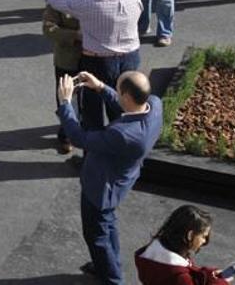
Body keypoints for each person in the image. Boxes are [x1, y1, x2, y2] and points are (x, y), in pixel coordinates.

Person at [57, 70, 163, 285]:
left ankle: (112, 278)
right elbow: (128, 107)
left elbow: (79, 137)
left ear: (126, 96)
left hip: (101, 189)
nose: (115, 90)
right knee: (108, 225)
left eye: (118, 88)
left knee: (97, 236)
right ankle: (108, 264)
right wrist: (101, 88)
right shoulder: (154, 104)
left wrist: (66, 102)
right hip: (118, 183)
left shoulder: (123, 135)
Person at [45, 0, 142, 130]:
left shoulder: (90, 1)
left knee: (93, 109)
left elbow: (58, 2)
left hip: (100, 62)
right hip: (130, 59)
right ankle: (119, 143)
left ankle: (93, 151)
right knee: (122, 104)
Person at [42, 0, 90, 155]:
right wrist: (74, 36)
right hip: (67, 58)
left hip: (91, 56)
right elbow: (48, 29)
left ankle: (86, 129)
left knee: (88, 96)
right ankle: (66, 135)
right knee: (66, 98)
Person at [135, 205, 233, 285]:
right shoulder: (180, 277)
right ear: (190, 235)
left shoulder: (151, 254)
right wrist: (219, 283)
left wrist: (208, 275)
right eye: (203, 236)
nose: (204, 241)